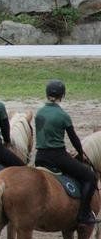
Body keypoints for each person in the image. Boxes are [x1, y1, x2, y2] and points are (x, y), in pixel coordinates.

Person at [34, 80, 96, 225]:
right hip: (58, 157)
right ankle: (83, 214)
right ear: (62, 95)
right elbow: (74, 139)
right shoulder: (63, 115)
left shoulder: (39, 113)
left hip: (40, 156)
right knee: (90, 176)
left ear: (47, 94)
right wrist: (80, 153)